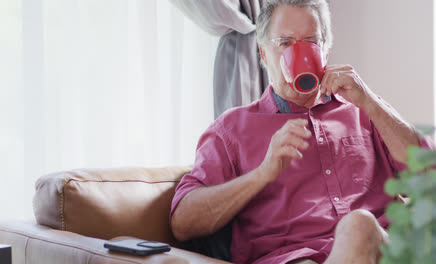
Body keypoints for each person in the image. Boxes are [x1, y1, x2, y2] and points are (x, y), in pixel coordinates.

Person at [170, 0, 434, 263]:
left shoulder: (365, 109)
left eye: (310, 42)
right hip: (295, 258)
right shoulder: (231, 130)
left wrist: (370, 103)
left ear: (325, 52)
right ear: (263, 54)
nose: (299, 52)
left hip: (387, 250)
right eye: (285, 43)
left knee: (361, 227)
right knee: (359, 228)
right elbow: (183, 223)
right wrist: (262, 174)